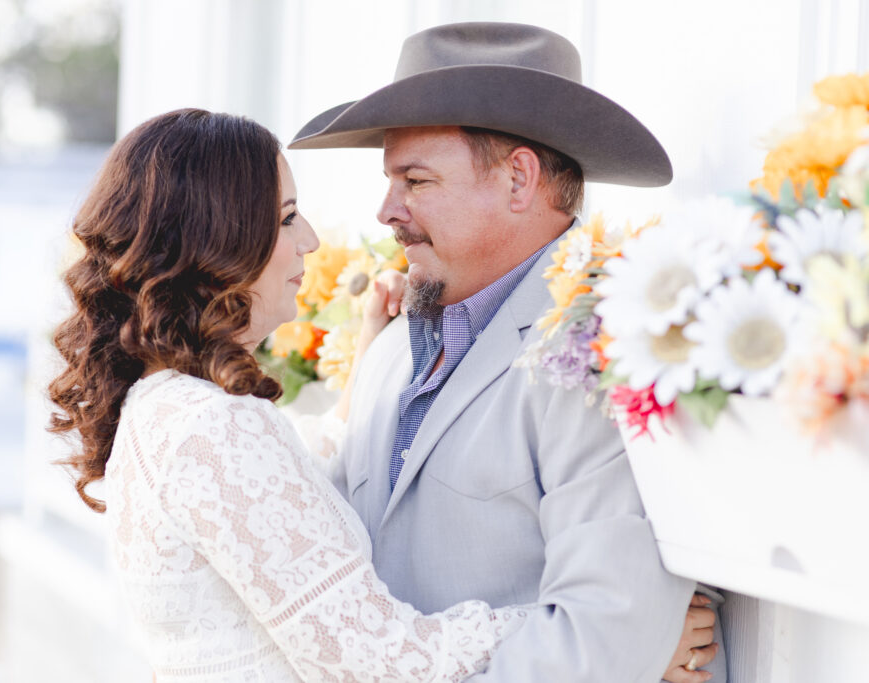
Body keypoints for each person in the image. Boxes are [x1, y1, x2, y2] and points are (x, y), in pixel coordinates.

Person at [47, 107, 557, 682]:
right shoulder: (214, 428)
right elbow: (383, 661)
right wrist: (588, 631)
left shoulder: (163, 407)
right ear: (216, 240)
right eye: (288, 218)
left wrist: (364, 364)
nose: (310, 240)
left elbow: (287, 497)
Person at [289, 22, 725, 682]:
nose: (386, 209)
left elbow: (605, 636)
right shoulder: (387, 355)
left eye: (415, 179)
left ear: (519, 179)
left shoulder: (602, 353)